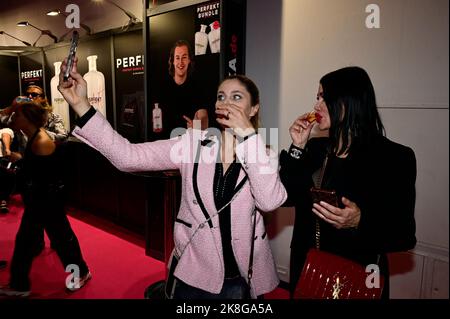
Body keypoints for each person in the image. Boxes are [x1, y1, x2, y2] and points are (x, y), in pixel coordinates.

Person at [58, 57, 287, 299]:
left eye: (237, 97)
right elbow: (128, 156)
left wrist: (248, 137)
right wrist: (81, 105)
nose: (226, 103)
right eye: (221, 96)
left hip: (242, 280)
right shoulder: (192, 143)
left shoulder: (264, 155)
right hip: (195, 276)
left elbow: (269, 202)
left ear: (254, 109)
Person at [279, 66, 417, 299]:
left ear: (348, 101)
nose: (316, 105)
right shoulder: (314, 149)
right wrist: (297, 147)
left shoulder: (394, 157)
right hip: (308, 271)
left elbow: (404, 234)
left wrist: (359, 221)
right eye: (317, 97)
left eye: (324, 97)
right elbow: (284, 196)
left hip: (357, 276)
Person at [0, 97, 90, 297]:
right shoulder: (32, 136)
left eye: (18, 115)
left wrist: (19, 164)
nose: (14, 117)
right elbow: (36, 171)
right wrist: (21, 160)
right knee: (45, 241)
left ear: (28, 119)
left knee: (58, 241)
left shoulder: (40, 141)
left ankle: (80, 273)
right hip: (42, 199)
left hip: (46, 201)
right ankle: (20, 284)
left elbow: (40, 176)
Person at [155, 40, 210, 139]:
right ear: (172, 61)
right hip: (165, 144)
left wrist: (197, 127)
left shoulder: (197, 87)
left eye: (184, 57)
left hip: (188, 145)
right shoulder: (161, 87)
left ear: (189, 60)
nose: (180, 62)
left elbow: (203, 116)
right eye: (177, 58)